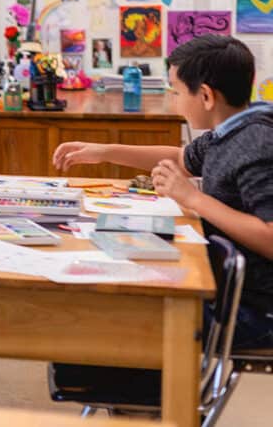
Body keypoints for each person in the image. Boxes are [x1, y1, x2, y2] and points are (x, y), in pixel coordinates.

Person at [54, 35, 273, 348]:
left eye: (176, 91)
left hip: (251, 311)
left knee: (102, 314)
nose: (173, 100)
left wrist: (194, 199)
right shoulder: (228, 131)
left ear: (207, 96)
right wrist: (103, 151)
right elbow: (181, 158)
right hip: (220, 285)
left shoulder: (257, 143)